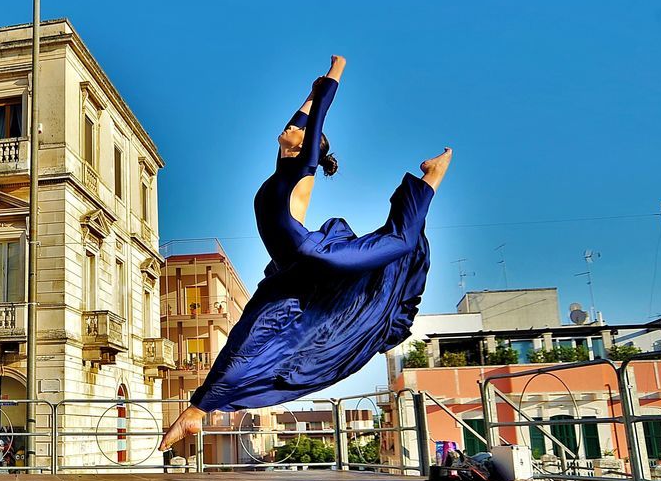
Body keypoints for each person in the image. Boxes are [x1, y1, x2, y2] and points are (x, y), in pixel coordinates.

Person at [161, 55, 452, 450]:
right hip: (286, 273)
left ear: (307, 146)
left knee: (399, 244)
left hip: (317, 258)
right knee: (244, 340)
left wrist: (334, 75)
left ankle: (431, 179)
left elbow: (315, 119)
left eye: (299, 130)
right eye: (292, 126)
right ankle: (198, 411)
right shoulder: (281, 165)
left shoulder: (303, 166)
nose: (291, 128)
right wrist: (311, 92)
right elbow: (304, 113)